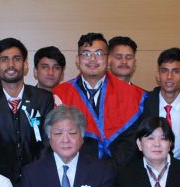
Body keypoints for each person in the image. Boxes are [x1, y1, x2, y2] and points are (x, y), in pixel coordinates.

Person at [52, 32, 146, 161]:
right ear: (77, 60)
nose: (92, 59)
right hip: (77, 167)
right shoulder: (61, 94)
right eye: (86, 54)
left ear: (108, 60)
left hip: (121, 168)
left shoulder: (133, 96)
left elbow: (132, 143)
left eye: (99, 53)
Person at [0, 37, 54, 187]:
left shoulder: (43, 99)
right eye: (4, 59)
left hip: (38, 179)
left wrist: (35, 175)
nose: (11, 65)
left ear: (25, 66)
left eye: (16, 59)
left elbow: (47, 142)